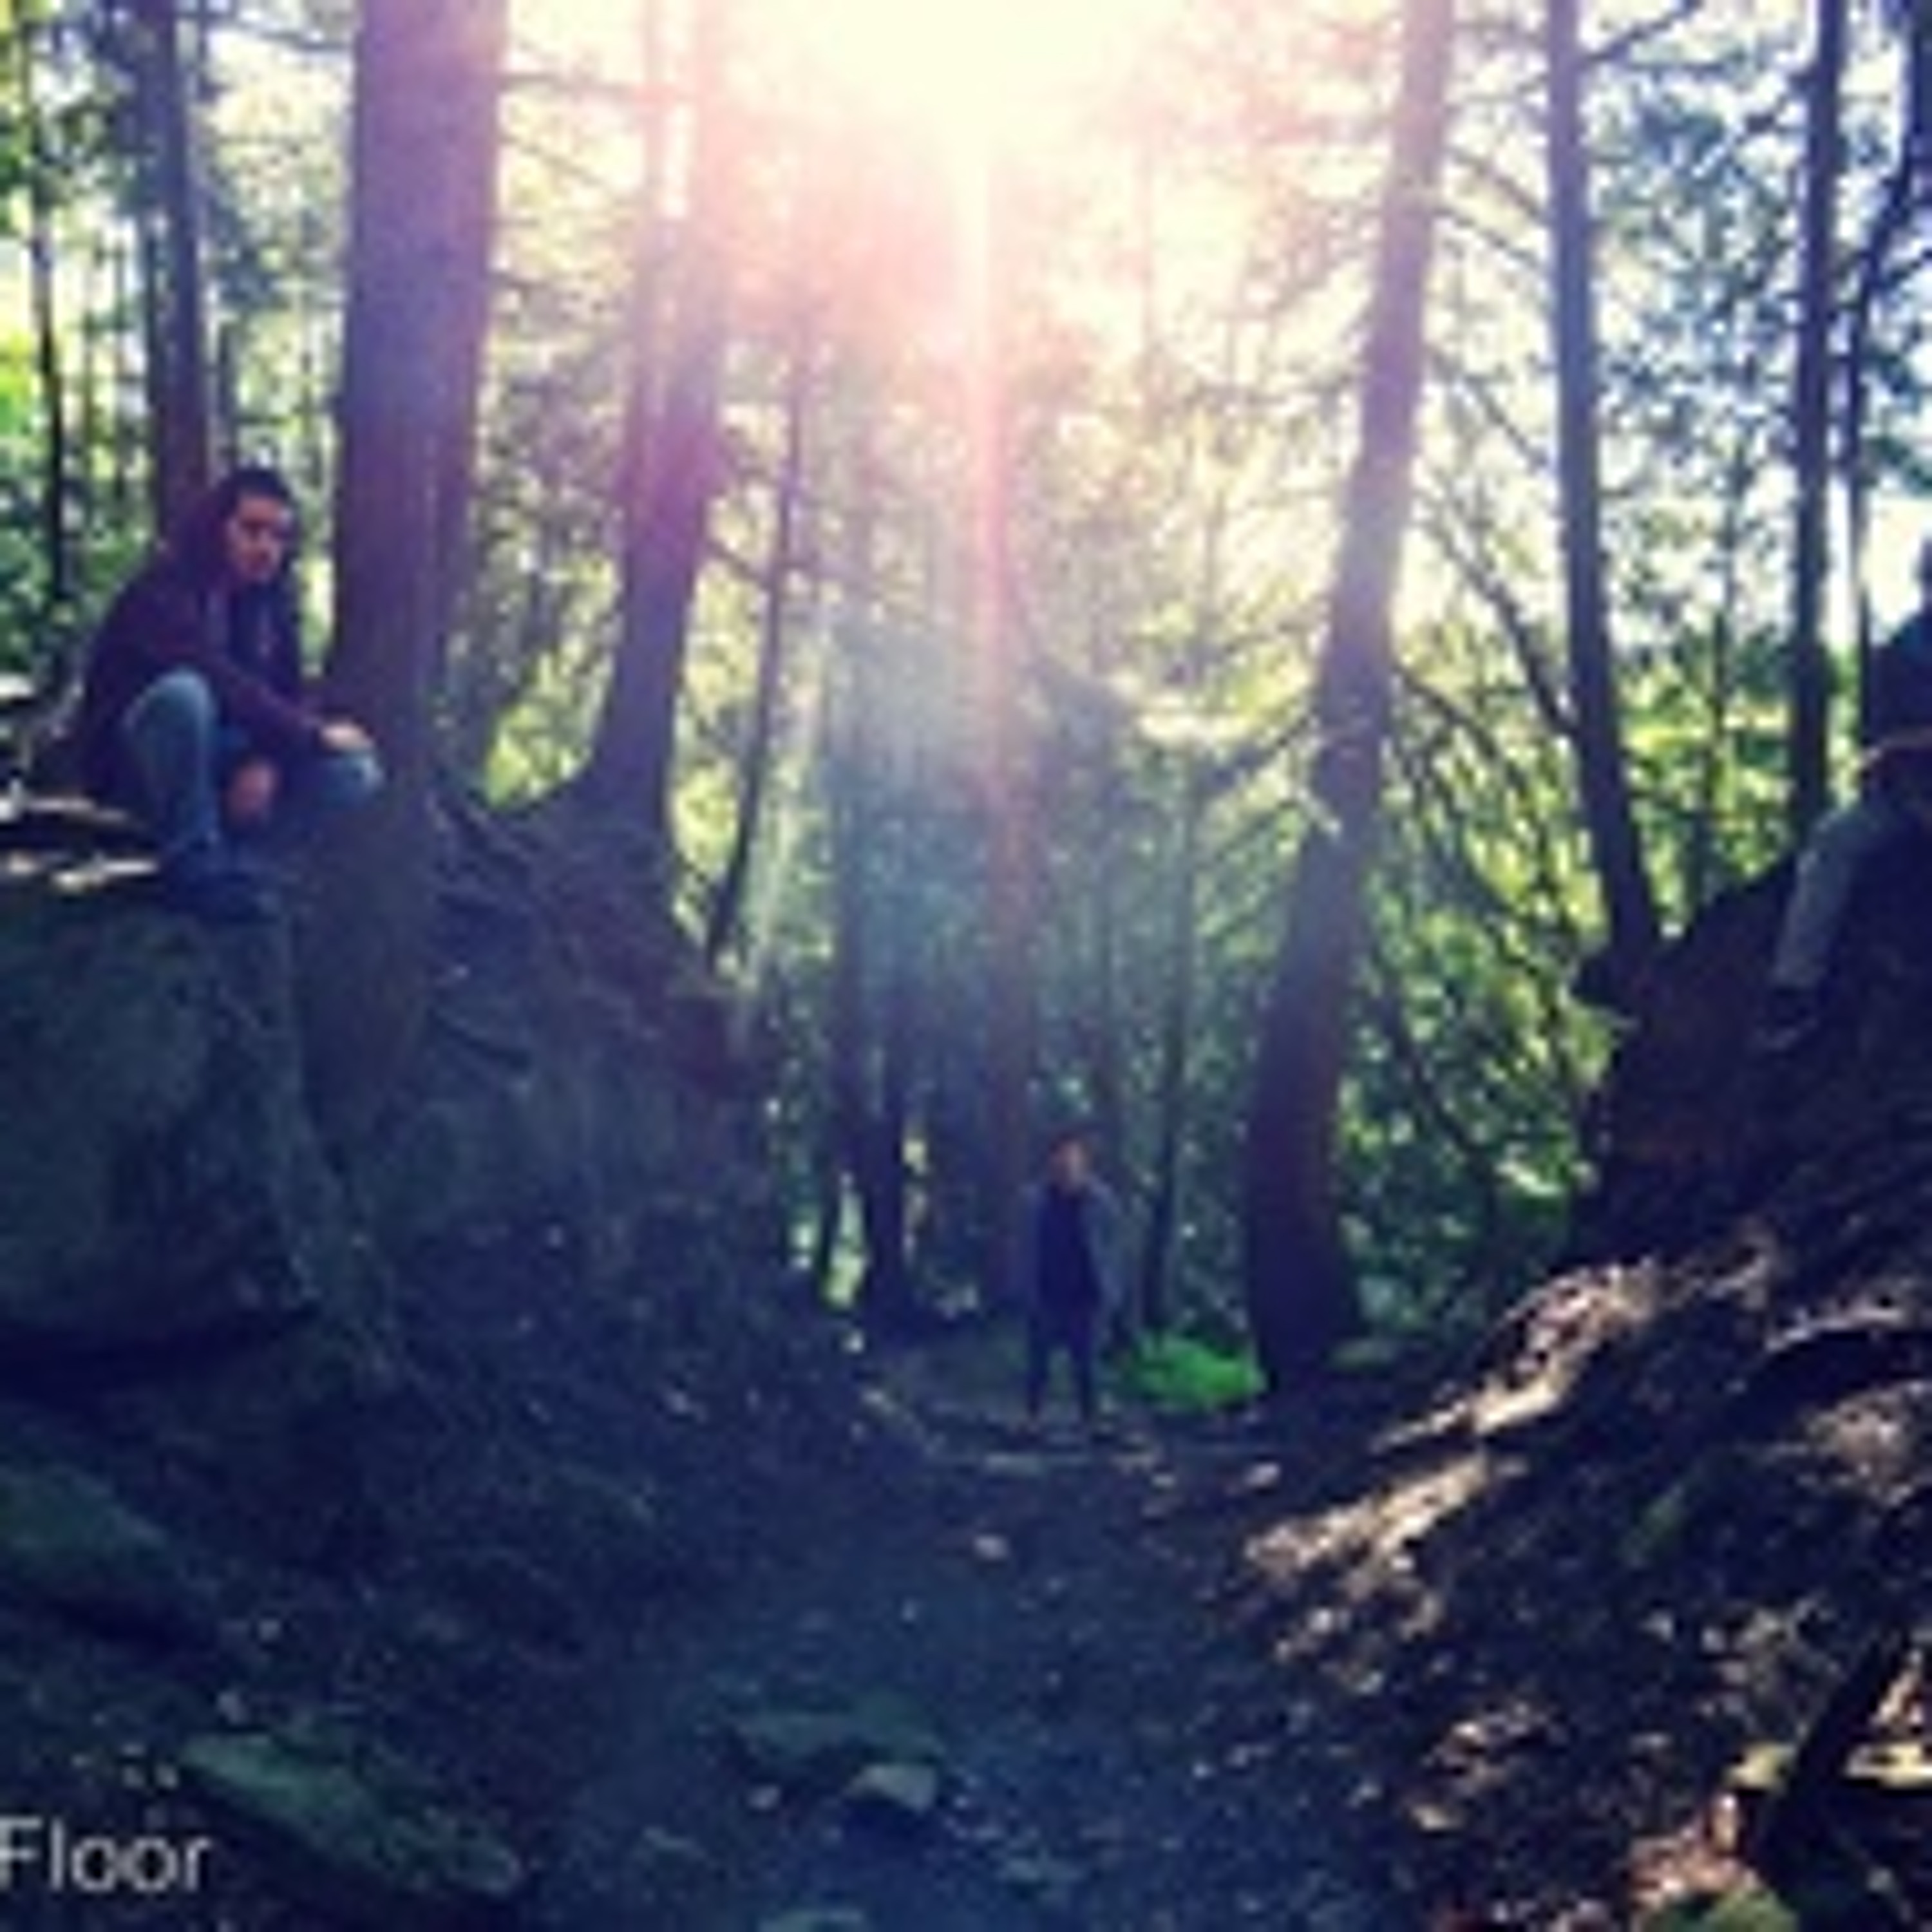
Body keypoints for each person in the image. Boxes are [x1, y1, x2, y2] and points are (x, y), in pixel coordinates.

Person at [71, 464, 380, 922]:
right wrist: (310, 736)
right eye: (251, 530)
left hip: (226, 757)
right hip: (136, 764)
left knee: (355, 772)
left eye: (278, 536)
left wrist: (267, 761)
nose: (266, 547)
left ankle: (249, 869)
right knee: (184, 696)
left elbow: (289, 693)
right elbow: (214, 676)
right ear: (219, 527)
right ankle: (193, 868)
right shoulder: (163, 588)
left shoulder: (272, 604)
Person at [1759, 536, 1932, 1052]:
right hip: (1902, 796)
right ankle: (1794, 989)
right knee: (1833, 844)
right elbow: (1875, 744)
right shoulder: (1896, 655)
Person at [1015, 1127, 1127, 1432]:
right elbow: (1024, 1246)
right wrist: (1023, 1286)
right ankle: (1031, 1418)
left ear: (1083, 1161)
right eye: (1060, 1157)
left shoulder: (1101, 1201)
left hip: (1087, 1293)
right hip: (1046, 1290)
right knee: (1038, 1361)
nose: (1066, 1163)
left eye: (1072, 1157)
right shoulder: (1034, 1201)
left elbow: (1115, 1247)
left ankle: (1091, 1419)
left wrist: (1113, 1290)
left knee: (1086, 1363)